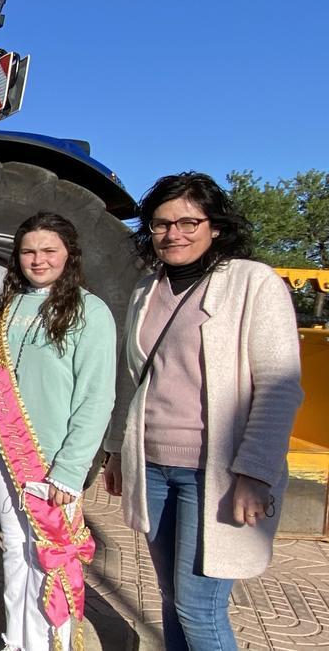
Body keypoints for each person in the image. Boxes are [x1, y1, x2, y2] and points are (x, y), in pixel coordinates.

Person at [103, 173, 303, 650]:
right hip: (152, 467)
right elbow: (135, 378)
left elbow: (279, 388)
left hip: (213, 473)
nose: (174, 234)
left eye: (188, 221)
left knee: (199, 607)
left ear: (215, 226)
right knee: (172, 599)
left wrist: (255, 473)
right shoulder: (147, 288)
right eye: (161, 224)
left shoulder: (254, 283)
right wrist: (116, 451)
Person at [0, 212, 116, 651]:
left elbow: (96, 397)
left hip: (49, 458)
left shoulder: (91, 311)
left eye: (49, 250)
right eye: (29, 251)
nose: (38, 259)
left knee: (50, 553)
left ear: (69, 254)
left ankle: (53, 642)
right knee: (15, 547)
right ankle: (18, 639)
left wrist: (70, 469)